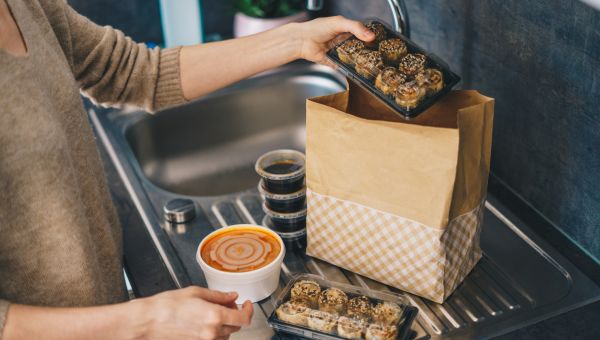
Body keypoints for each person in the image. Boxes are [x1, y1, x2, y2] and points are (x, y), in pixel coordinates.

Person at [0, 0, 375, 339]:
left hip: (102, 314)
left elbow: (130, 72)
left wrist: (294, 40)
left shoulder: (25, 5)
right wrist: (142, 321)